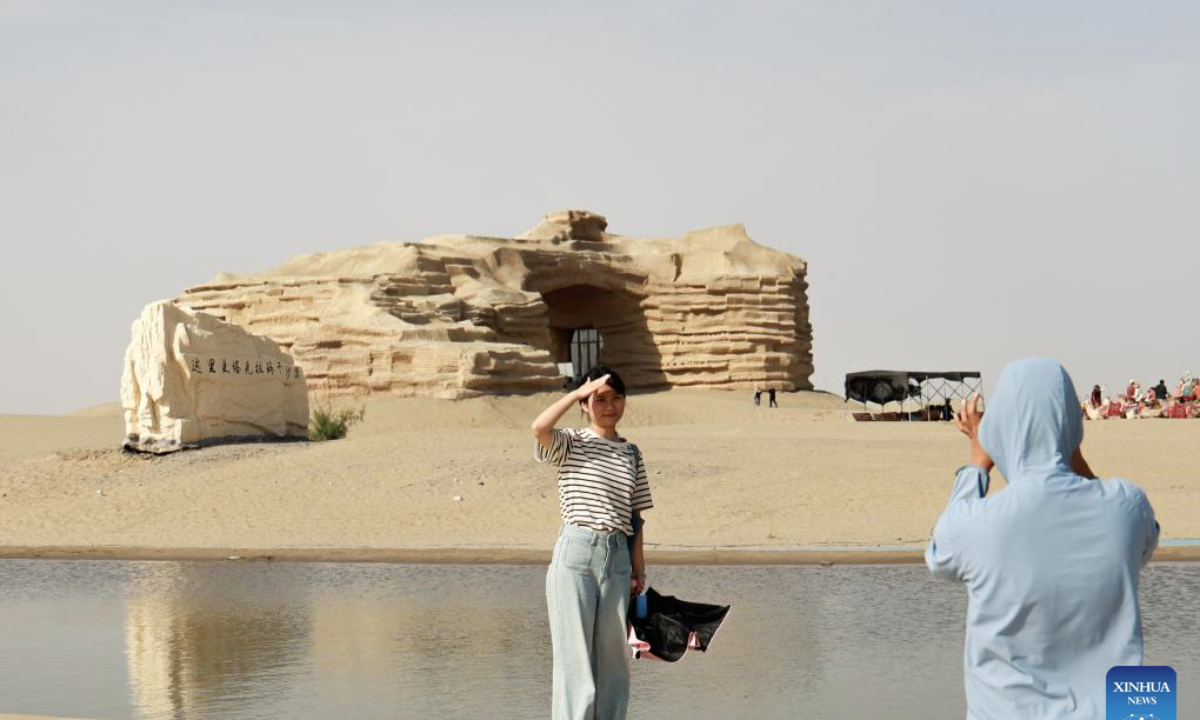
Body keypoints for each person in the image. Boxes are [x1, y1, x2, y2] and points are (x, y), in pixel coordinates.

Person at [926, 358, 1159, 719]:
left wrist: (977, 460)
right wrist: (1071, 453)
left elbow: (938, 555)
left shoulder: (974, 525)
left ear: (1000, 429)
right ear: (1074, 425)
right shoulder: (1126, 506)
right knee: (1147, 697)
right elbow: (1143, 543)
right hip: (1127, 712)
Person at [532, 365, 653, 720]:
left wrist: (638, 568)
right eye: (599, 399)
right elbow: (539, 427)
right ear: (585, 405)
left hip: (618, 560)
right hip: (576, 556)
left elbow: (635, 516)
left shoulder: (631, 453)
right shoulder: (571, 442)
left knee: (614, 666)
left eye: (616, 398)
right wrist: (575, 392)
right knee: (576, 667)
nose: (610, 406)